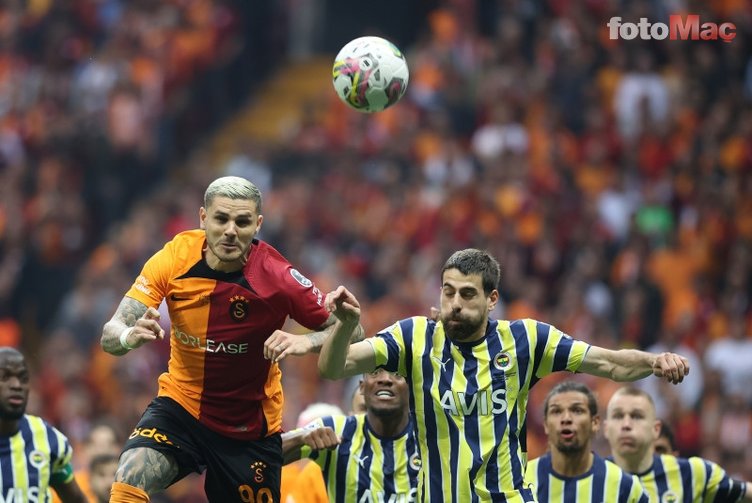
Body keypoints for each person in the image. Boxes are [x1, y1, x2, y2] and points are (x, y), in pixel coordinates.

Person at [318, 248, 690, 501]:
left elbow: (608, 363)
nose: (455, 304)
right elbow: (334, 368)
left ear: (492, 300)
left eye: (467, 294)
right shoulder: (414, 336)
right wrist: (345, 324)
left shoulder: (526, 340)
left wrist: (654, 361)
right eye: (448, 292)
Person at [100, 176, 363, 503]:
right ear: (203, 218)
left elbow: (353, 331)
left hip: (248, 428)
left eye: (242, 222)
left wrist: (306, 342)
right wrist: (129, 335)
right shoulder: (174, 258)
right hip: (181, 407)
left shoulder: (278, 276)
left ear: (258, 225)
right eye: (221, 219)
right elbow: (110, 334)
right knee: (130, 474)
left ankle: (292, 442)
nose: (230, 231)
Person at [283, 367, 420, 503]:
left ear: (412, 388)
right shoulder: (335, 429)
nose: (385, 379)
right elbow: (271, 452)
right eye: (374, 372)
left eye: (397, 373)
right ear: (362, 387)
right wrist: (300, 439)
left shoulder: (427, 436)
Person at [604, 386, 752, 501]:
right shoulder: (593, 476)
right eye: (618, 416)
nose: (626, 424)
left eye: (637, 416)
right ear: (605, 428)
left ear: (656, 429)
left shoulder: (692, 474)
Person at [524, 381, 648, 502]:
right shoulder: (522, 480)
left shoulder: (625, 487)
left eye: (577, 410)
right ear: (545, 424)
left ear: (595, 423)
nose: (566, 418)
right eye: (556, 411)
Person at [0, 347, 87, 502]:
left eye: (23, 378)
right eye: (5, 377)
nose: (17, 385)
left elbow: (76, 499)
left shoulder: (47, 438)